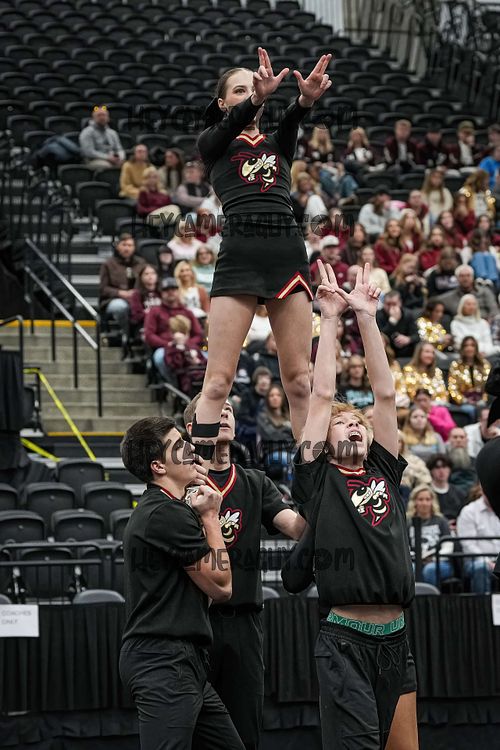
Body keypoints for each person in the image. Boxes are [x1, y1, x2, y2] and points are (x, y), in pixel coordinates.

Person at [290, 261, 417, 750]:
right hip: (345, 639)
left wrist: (366, 317)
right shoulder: (318, 477)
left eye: (359, 424)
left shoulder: (383, 468)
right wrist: (329, 318)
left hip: (397, 638)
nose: (356, 426)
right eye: (343, 423)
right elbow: (322, 394)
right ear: (325, 439)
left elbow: (385, 394)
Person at [192, 50, 333, 459]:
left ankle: (311, 475)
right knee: (217, 382)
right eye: (240, 90)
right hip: (239, 258)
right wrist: (256, 98)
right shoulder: (213, 143)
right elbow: (228, 127)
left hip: (286, 256)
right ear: (223, 103)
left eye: (252, 87)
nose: (250, 92)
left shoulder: (276, 143)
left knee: (299, 380)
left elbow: (291, 121)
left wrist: (304, 100)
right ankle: (199, 478)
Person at [183, 397, 304, 750]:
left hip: (244, 622)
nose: (224, 412)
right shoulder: (182, 484)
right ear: (192, 429)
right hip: (194, 622)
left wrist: (325, 498)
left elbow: (297, 528)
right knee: (192, 730)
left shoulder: (254, 481)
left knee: (244, 730)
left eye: (230, 410)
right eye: (215, 407)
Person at [118, 416, 245, 750]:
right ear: (158, 466)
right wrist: (210, 515)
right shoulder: (165, 513)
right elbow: (222, 585)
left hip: (181, 659)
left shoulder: (167, 509)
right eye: (179, 446)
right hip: (164, 660)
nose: (190, 449)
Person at [144, 277, 204, 382]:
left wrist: (186, 344)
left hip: (189, 348)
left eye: (173, 289)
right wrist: (169, 344)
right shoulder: (155, 311)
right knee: (159, 357)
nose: (170, 292)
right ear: (161, 293)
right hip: (166, 348)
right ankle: (173, 385)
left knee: (207, 357)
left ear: (178, 291)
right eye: (166, 290)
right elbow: (149, 335)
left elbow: (198, 334)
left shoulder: (187, 312)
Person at [99, 234, 146, 341]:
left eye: (130, 245)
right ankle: (127, 335)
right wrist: (120, 293)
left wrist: (135, 293)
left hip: (138, 298)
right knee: (121, 306)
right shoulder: (108, 264)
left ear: (134, 247)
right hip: (114, 299)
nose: (127, 248)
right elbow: (103, 288)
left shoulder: (141, 263)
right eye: (124, 245)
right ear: (118, 246)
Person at [406, 484, 454, 586]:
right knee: (411, 569)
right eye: (420, 499)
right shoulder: (407, 522)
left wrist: (433, 558)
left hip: (439, 562)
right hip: (414, 561)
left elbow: (448, 546)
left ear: (432, 502)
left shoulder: (441, 521)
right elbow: (404, 547)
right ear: (414, 502)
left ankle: (430, 596)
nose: (424, 503)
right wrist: (417, 558)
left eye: (428, 499)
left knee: (430, 570)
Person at [456, 492, 500, 593]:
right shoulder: (469, 511)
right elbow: (468, 545)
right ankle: (483, 603)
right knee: (481, 568)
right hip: (475, 561)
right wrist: (488, 562)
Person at [447, 336, 491, 418]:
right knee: (470, 409)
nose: (469, 348)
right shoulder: (455, 366)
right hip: (463, 401)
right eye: (466, 345)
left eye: (472, 345)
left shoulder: (484, 364)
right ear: (462, 348)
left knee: (484, 409)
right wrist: (463, 400)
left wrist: (483, 399)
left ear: (476, 348)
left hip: (482, 400)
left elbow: (489, 385)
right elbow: (452, 388)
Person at [257, 384, 294, 477]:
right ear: (267, 398)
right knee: (291, 460)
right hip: (272, 453)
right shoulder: (262, 416)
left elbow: (295, 435)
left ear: (282, 398)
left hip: (291, 451)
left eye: (278, 395)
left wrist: (283, 429)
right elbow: (272, 435)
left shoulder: (288, 416)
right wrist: (286, 428)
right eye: (271, 395)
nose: (275, 398)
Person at [79, 105, 125, 172]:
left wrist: (120, 158)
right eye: (99, 115)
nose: (102, 117)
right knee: (107, 166)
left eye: (104, 115)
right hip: (93, 160)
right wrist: (108, 158)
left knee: (127, 165)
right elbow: (89, 152)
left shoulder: (112, 133)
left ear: (108, 118)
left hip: (112, 159)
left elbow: (119, 149)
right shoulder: (87, 132)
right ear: (93, 118)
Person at [376, 290, 420, 358]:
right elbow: (380, 337)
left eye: (394, 304)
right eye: (388, 304)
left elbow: (416, 336)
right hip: (386, 351)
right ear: (383, 303)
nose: (391, 307)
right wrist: (393, 321)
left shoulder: (408, 314)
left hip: (406, 351)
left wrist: (408, 339)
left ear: (400, 303)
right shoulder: (378, 315)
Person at [427, 453, 466, 524]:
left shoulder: (459, 493)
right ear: (431, 471)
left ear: (450, 470)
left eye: (444, 467)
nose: (441, 471)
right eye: (437, 467)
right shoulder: (425, 492)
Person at [129, 263, 161, 329]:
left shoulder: (162, 292)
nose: (150, 276)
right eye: (146, 274)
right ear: (141, 277)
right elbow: (137, 315)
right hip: (144, 325)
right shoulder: (136, 294)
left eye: (153, 273)